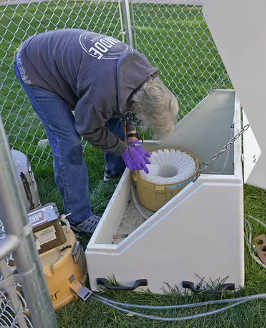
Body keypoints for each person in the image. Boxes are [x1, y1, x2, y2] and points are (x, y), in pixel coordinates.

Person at [14, 29, 179, 235]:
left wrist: (133, 140)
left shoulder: (144, 76)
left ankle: (114, 172)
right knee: (67, 141)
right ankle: (78, 217)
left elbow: (129, 108)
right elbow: (88, 128)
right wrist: (123, 149)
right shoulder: (104, 91)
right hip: (36, 66)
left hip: (72, 62)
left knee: (114, 113)